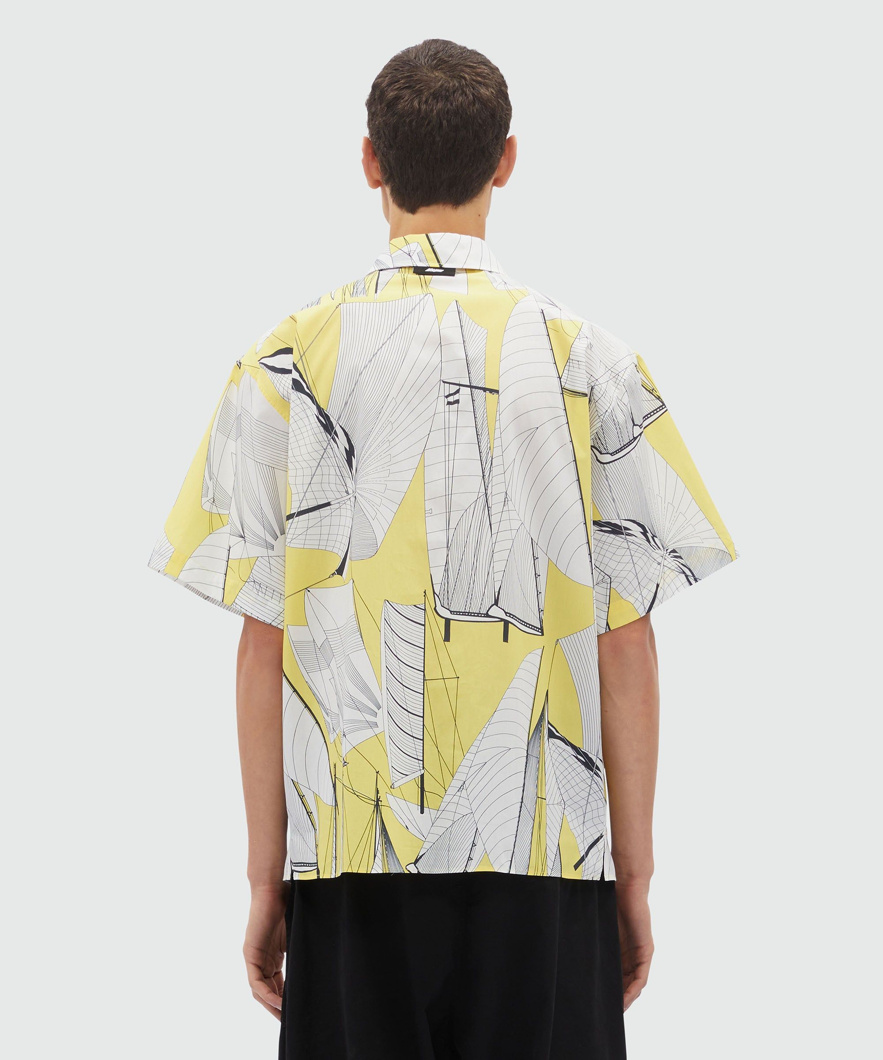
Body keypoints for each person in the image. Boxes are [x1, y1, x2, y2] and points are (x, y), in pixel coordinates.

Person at [147, 38, 739, 1060]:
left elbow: (262, 645)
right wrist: (634, 875)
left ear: (369, 162)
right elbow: (626, 642)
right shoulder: (593, 364)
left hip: (350, 855)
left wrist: (265, 878)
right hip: (547, 850)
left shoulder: (283, 365)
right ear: (505, 160)